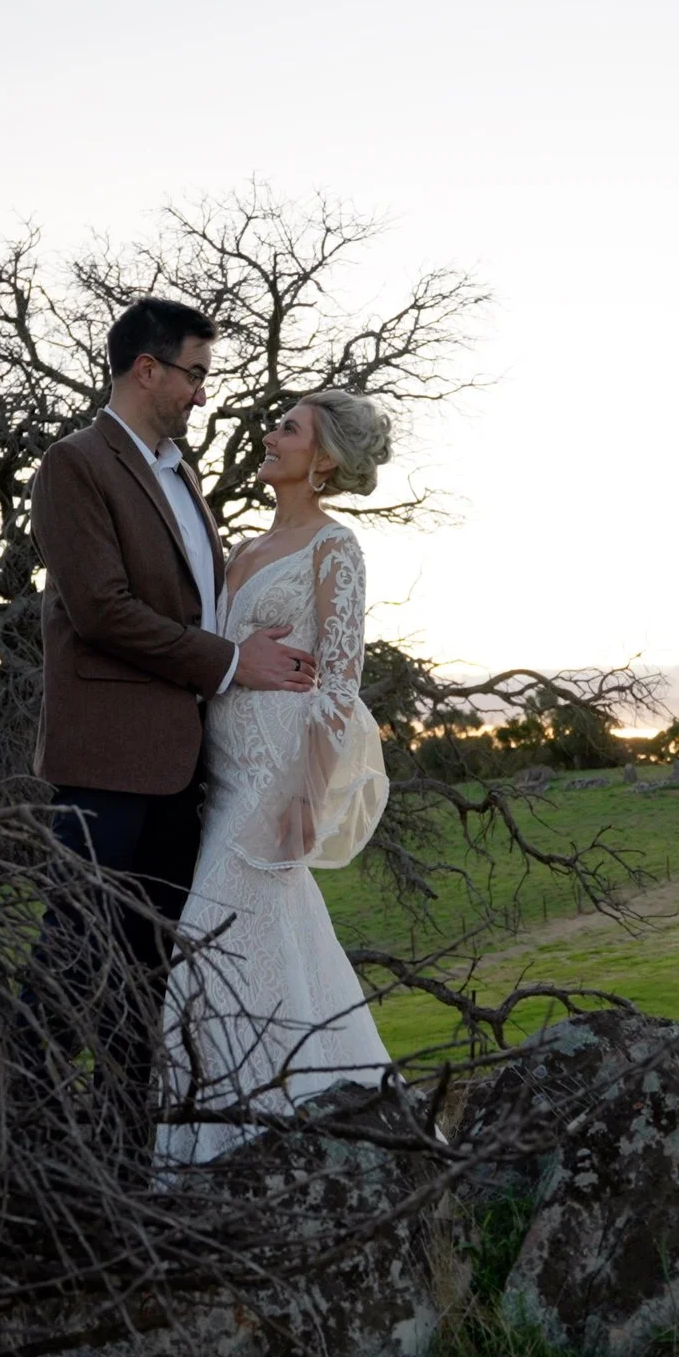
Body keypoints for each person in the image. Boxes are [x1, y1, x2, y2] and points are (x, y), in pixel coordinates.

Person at [26, 297, 321, 1142]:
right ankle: (14, 1148)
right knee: (73, 957)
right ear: (146, 369)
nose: (201, 393)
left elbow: (193, 605)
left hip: (184, 766)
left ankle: (126, 1161)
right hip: (107, 764)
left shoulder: (181, 473)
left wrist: (244, 645)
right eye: (193, 373)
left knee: (149, 978)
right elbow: (101, 610)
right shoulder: (74, 465)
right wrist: (232, 662)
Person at [155, 389, 395, 1165]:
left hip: (273, 789)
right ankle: (293, 1144)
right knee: (255, 954)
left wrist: (303, 797)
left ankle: (249, 1152)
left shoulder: (335, 548)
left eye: (287, 428)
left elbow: (337, 684)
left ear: (322, 460)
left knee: (210, 949)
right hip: (221, 781)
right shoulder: (245, 550)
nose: (270, 434)